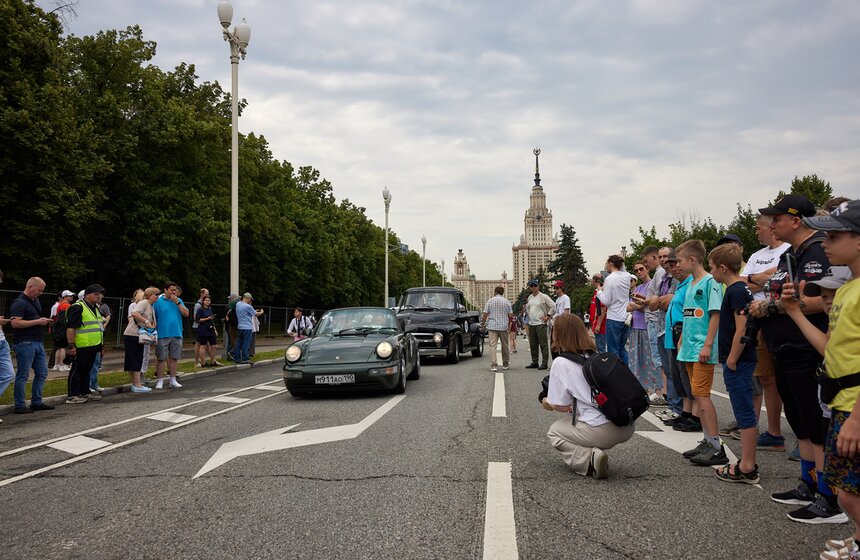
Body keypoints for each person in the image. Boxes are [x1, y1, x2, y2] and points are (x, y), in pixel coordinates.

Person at [750, 194, 844, 523]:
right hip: (786, 348)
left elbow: (820, 300)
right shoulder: (792, 253)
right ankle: (808, 483)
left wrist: (770, 306)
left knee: (815, 425)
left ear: (795, 220)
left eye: (777, 218)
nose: (772, 223)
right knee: (800, 422)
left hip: (806, 350)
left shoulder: (817, 250)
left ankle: (829, 498)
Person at [781, 201, 860, 547]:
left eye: (834, 236)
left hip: (855, 406)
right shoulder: (846, 289)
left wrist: (857, 418)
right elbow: (829, 347)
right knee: (846, 489)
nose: (824, 243)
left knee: (850, 494)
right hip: (840, 401)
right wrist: (795, 312)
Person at [541, 313, 635, 479]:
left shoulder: (561, 362)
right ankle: (593, 452)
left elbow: (561, 406)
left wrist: (546, 401)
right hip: (627, 424)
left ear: (559, 334)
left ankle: (589, 459)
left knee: (555, 432)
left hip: (603, 431)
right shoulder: (596, 355)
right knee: (583, 418)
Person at [707, 243, 760, 483]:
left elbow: (743, 327)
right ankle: (747, 462)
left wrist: (732, 358)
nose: (711, 273)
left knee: (743, 411)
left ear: (722, 268)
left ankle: (747, 466)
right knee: (743, 409)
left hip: (740, 361)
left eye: (712, 268)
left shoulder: (736, 291)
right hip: (743, 359)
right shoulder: (741, 289)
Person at [740, 213, 791, 452]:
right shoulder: (756, 255)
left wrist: (757, 279)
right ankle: (774, 432)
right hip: (759, 319)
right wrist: (761, 278)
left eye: (758, 227)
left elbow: (782, 275)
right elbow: (742, 281)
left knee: (790, 377)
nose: (755, 231)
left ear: (771, 227)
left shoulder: (789, 249)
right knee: (767, 378)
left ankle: (807, 436)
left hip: (784, 319)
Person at [675, 239, 724, 465]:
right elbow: (689, 315)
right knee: (696, 394)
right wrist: (682, 339)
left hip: (701, 349)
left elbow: (715, 314)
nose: (678, 265)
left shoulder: (710, 282)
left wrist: (708, 344)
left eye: (680, 261)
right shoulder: (691, 284)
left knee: (703, 396)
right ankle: (706, 439)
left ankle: (715, 445)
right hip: (688, 348)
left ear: (692, 259)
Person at [10, 276, 55, 414]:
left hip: (37, 341)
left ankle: (37, 402)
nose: (41, 293)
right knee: (23, 374)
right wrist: (37, 322)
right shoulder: (19, 302)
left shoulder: (35, 300)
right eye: (39, 290)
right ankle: (19, 405)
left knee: (42, 372)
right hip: (25, 342)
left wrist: (43, 320)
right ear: (30, 287)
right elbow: (15, 323)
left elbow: (34, 318)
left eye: (42, 290)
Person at [65, 284, 106, 404]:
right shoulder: (78, 307)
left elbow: (98, 327)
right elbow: (70, 328)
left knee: (87, 370)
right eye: (96, 294)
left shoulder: (94, 307)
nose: (99, 296)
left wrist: (101, 345)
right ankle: (73, 395)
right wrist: (71, 345)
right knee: (77, 370)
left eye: (100, 294)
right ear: (87, 295)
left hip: (93, 345)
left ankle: (85, 392)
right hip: (81, 345)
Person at [628, 261, 662, 400]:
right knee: (637, 361)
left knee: (652, 360)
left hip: (647, 326)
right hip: (635, 326)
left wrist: (639, 305)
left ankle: (658, 390)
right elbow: (628, 307)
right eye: (636, 270)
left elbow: (649, 306)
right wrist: (640, 305)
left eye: (641, 269)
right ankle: (643, 389)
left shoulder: (652, 284)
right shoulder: (638, 287)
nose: (639, 272)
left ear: (647, 269)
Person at [152, 281, 189, 389]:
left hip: (176, 333)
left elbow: (186, 313)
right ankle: (160, 380)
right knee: (161, 358)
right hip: (162, 333)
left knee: (174, 357)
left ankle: (173, 379)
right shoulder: (158, 302)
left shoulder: (179, 300)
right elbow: (153, 316)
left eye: (175, 290)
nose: (173, 292)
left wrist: (177, 302)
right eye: (171, 290)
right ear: (165, 290)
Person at [598, 255, 631, 364]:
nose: (606, 266)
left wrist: (599, 292)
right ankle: (626, 371)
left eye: (607, 264)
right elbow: (624, 270)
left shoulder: (610, 278)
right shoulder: (627, 276)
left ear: (611, 264)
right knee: (622, 348)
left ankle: (615, 372)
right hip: (625, 317)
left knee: (613, 350)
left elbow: (606, 301)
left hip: (614, 318)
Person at [122, 288, 152, 393]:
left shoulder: (148, 306)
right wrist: (146, 322)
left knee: (136, 358)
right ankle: (137, 384)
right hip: (134, 334)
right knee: (135, 359)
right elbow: (133, 316)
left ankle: (136, 383)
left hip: (136, 335)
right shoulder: (141, 305)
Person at [481, 286, 513, 372]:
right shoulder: (506, 302)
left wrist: (483, 325)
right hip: (503, 326)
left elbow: (485, 314)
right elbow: (510, 315)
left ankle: (494, 365)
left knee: (493, 346)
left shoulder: (490, 301)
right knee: (505, 345)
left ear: (495, 292)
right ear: (503, 293)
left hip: (492, 326)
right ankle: (505, 364)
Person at [525, 279, 554, 370]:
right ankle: (535, 362)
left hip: (540, 323)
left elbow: (553, 306)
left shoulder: (543, 296)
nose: (534, 287)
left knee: (543, 344)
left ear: (538, 286)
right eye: (532, 286)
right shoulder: (530, 297)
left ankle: (544, 363)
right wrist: (530, 315)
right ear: (530, 287)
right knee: (533, 344)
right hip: (532, 323)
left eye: (535, 285)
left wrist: (548, 316)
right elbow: (528, 308)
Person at [136, 287, 159, 383]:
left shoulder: (151, 306)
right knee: (141, 355)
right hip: (141, 333)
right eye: (156, 294)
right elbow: (135, 313)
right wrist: (146, 321)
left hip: (147, 333)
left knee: (146, 354)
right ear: (149, 295)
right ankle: (139, 377)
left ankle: (142, 374)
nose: (157, 296)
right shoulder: (144, 302)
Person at [235, 293, 264, 364]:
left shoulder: (238, 304)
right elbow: (256, 314)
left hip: (240, 327)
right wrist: (261, 312)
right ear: (247, 298)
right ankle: (245, 359)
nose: (250, 300)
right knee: (246, 344)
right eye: (250, 299)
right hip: (247, 328)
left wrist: (253, 311)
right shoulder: (248, 306)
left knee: (238, 343)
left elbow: (246, 312)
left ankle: (237, 358)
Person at [50, 290, 74, 372]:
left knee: (59, 348)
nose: (72, 297)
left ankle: (56, 365)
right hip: (63, 329)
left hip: (58, 329)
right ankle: (62, 365)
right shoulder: (67, 306)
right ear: (65, 297)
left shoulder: (59, 305)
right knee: (64, 347)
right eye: (70, 296)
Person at [195, 295, 222, 367]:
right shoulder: (200, 310)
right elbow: (198, 320)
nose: (207, 302)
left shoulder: (210, 309)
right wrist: (207, 318)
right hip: (203, 329)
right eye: (206, 300)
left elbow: (212, 320)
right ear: (203, 301)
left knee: (214, 346)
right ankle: (203, 363)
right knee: (203, 346)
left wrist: (214, 329)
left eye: (208, 300)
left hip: (211, 329)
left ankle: (213, 361)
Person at [589, 274, 607, 352]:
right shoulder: (596, 292)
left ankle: (603, 360)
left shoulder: (601, 292)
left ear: (594, 281)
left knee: (601, 349)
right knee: (598, 348)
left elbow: (603, 309)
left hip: (601, 326)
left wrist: (598, 325)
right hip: (596, 324)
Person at [192, 288, 209, 367]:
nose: (208, 296)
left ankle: (210, 360)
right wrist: (206, 319)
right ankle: (196, 361)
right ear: (202, 294)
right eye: (206, 294)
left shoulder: (206, 304)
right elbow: (195, 318)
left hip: (205, 327)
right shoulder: (198, 305)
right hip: (198, 327)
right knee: (198, 344)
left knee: (206, 344)